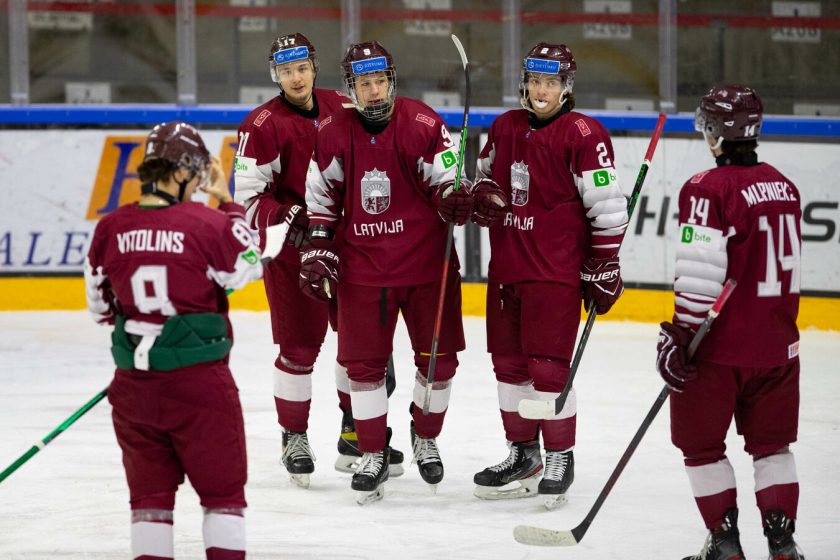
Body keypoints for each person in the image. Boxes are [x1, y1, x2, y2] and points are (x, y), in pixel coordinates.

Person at [302, 41, 471, 505]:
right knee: (364, 369)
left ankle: (426, 434)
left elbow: (448, 182)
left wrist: (454, 199)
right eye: (363, 83)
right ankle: (373, 452)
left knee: (440, 364)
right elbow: (321, 200)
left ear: (390, 80)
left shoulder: (423, 123)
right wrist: (318, 246)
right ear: (350, 88)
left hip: (427, 267)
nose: (374, 92)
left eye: (379, 81)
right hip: (362, 270)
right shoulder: (333, 132)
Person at [84, 121, 263, 560]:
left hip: (133, 391)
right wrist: (226, 203)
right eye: (197, 171)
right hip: (199, 387)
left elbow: (101, 309)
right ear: (181, 170)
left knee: (149, 504)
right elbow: (248, 266)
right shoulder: (206, 223)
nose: (200, 181)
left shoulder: (109, 228)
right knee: (223, 497)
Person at [233, 33, 403, 488]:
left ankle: (353, 434)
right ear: (276, 74)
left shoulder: (341, 105)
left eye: (302, 68)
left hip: (351, 248)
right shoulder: (260, 125)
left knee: (361, 349)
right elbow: (247, 200)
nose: (295, 78)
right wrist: (292, 222)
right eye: (286, 71)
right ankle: (294, 437)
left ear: (315, 67)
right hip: (295, 255)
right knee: (299, 352)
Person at [470, 43, 628, 510]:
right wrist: (482, 196)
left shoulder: (584, 134)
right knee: (509, 369)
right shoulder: (504, 127)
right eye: (536, 81)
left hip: (554, 272)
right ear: (525, 82)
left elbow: (610, 211)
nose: (542, 91)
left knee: (547, 370)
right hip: (508, 269)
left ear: (566, 87)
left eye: (552, 83)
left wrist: (604, 264)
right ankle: (523, 454)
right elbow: (483, 178)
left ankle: (560, 456)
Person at [656, 86, 804, 560]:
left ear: (716, 131)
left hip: (718, 351)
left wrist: (679, 336)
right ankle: (783, 546)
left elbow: (700, 275)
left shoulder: (706, 187)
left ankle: (724, 544)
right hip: (778, 348)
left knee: (701, 446)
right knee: (773, 447)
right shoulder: (785, 186)